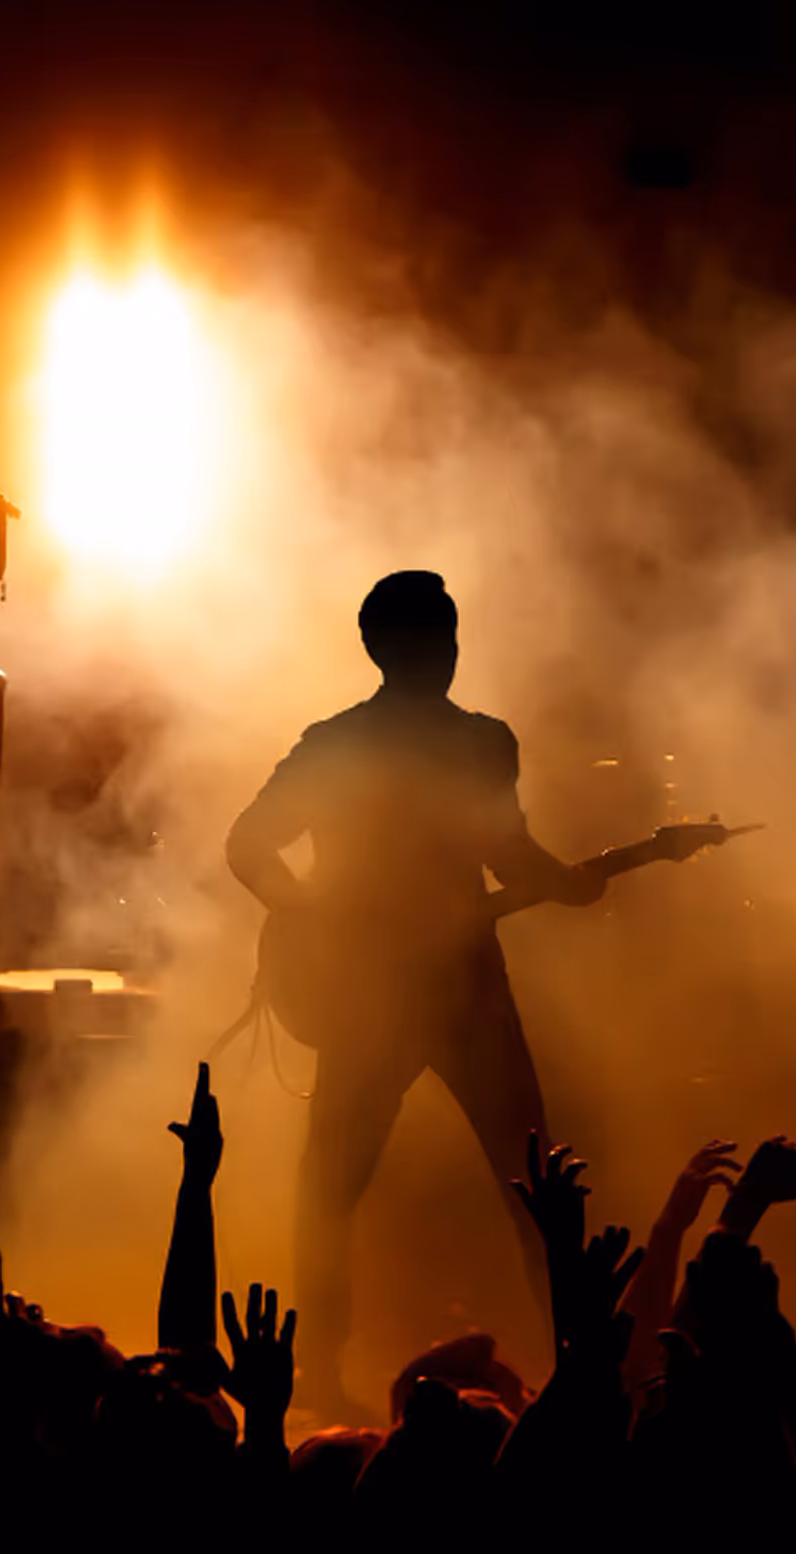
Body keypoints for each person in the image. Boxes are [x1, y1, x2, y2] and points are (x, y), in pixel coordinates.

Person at [226, 572, 604, 1418]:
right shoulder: (481, 743)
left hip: (378, 992)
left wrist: (311, 915)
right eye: (442, 635)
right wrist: (571, 885)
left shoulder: (335, 744)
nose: (450, 650)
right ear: (428, 647)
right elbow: (509, 856)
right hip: (462, 990)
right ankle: (580, 1364)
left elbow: (249, 845)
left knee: (331, 1186)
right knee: (536, 1186)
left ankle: (315, 1372)